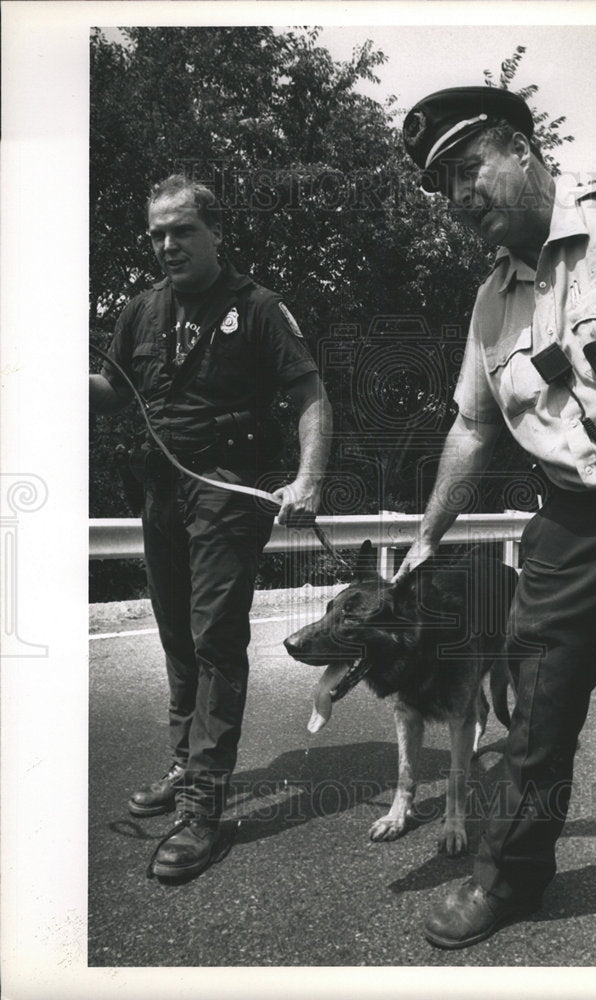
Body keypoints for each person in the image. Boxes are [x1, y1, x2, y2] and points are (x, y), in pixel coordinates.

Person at [397, 87, 596, 966]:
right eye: (443, 189)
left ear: (522, 148)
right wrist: (429, 534)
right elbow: (474, 425)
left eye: (469, 170)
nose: (459, 199)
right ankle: (510, 877)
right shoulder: (492, 300)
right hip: (566, 525)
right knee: (534, 723)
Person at [90, 174, 332, 880]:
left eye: (181, 231)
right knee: (176, 638)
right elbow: (111, 394)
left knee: (215, 640)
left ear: (215, 232)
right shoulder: (139, 310)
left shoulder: (257, 308)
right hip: (161, 494)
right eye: (157, 234)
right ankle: (182, 762)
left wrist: (309, 480)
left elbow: (310, 395)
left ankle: (203, 807)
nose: (168, 244)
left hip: (227, 490)